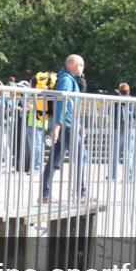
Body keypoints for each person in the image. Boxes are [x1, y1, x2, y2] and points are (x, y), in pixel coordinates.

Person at [41, 54, 86, 203]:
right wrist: (57, 127)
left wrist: (79, 126)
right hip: (66, 126)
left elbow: (72, 107)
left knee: (54, 160)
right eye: (81, 65)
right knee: (82, 155)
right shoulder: (66, 80)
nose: (83, 68)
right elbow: (62, 104)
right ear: (73, 65)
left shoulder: (68, 79)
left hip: (67, 125)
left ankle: (45, 194)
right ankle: (81, 193)